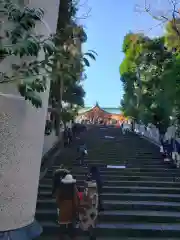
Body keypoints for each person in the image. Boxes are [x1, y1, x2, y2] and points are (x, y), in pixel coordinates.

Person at [55, 174, 79, 240]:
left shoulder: (60, 188)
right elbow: (76, 199)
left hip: (63, 209)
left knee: (62, 227)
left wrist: (60, 206)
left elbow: (57, 200)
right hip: (71, 209)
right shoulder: (73, 188)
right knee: (71, 227)